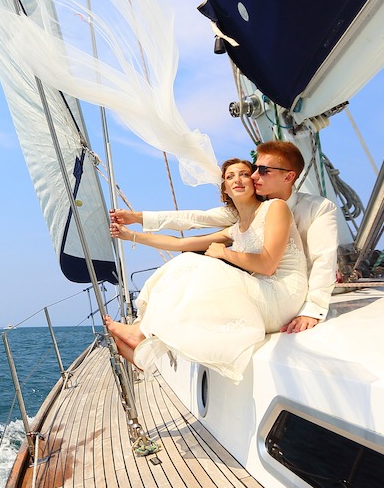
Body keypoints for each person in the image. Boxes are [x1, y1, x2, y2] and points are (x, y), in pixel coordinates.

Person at [104, 157, 307, 382]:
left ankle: (139, 334)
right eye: (230, 177)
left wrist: (224, 253)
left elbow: (268, 266)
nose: (237, 180)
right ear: (225, 191)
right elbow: (181, 244)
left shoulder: (274, 208)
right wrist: (130, 235)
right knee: (186, 260)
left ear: (254, 181)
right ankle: (143, 334)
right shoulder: (235, 229)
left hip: (283, 294)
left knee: (203, 266)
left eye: (243, 174)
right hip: (263, 293)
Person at [112, 140, 339, 334]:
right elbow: (192, 221)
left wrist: (313, 309)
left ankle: (143, 331)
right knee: (189, 265)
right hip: (264, 285)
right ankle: (144, 329)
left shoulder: (318, 208)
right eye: (255, 168)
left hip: (294, 292)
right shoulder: (244, 214)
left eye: (263, 170)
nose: (253, 175)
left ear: (289, 177)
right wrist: (135, 224)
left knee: (203, 270)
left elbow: (323, 259)